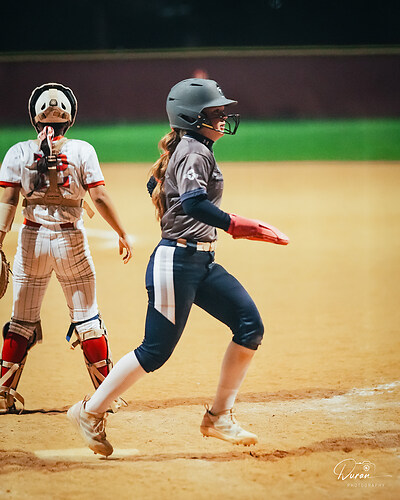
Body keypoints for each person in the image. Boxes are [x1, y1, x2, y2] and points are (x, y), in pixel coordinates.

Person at [67, 78, 289, 457]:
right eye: (215, 112)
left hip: (200, 261)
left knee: (249, 326)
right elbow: (193, 203)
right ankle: (89, 411)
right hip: (177, 262)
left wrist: (172, 196)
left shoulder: (190, 148)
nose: (223, 117)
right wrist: (238, 225)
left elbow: (156, 184)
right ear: (192, 117)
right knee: (155, 351)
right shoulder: (195, 151)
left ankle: (218, 417)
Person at [0, 82, 132, 413]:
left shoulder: (17, 152)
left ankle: (2, 393)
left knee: (21, 320)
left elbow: (8, 201)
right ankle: (104, 396)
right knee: (87, 318)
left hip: (31, 241)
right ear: (70, 118)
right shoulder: (82, 150)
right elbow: (99, 196)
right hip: (71, 239)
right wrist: (121, 232)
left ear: (34, 117)